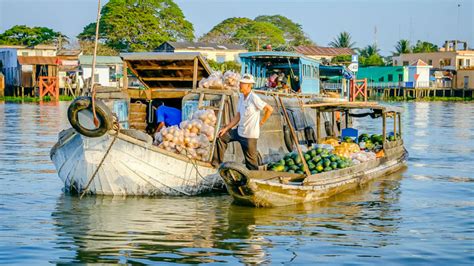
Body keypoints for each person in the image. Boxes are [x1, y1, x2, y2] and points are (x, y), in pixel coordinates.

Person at [212, 74, 274, 170]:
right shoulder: (241, 97)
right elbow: (238, 116)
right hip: (239, 131)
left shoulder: (254, 98)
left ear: (249, 86)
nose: (240, 85)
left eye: (243, 84)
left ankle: (254, 179)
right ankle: (216, 164)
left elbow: (269, 109)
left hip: (249, 136)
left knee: (251, 164)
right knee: (221, 137)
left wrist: (261, 123)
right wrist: (226, 128)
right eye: (240, 83)